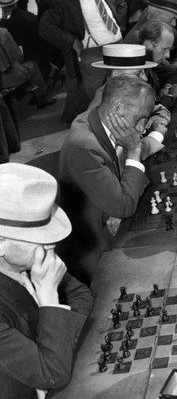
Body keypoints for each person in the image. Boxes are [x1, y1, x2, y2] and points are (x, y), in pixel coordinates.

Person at [0, 162, 94, 398]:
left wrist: (59, 345)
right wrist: (49, 297)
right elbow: (54, 373)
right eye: (37, 239)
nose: (50, 245)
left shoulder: (27, 257)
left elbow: (82, 294)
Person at [59, 76, 155, 285]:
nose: (142, 129)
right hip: (92, 250)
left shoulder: (98, 119)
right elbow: (124, 207)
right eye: (140, 118)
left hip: (107, 222)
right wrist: (134, 150)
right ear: (117, 107)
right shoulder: (84, 147)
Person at [39, 0, 127, 122]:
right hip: (94, 55)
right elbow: (45, 27)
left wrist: (119, 26)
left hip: (119, 47)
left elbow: (121, 3)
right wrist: (72, 41)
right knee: (99, 104)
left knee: (123, 97)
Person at [0, 25, 55, 109]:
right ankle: (41, 99)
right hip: (8, 77)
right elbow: (17, 55)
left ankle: (20, 92)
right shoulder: (3, 32)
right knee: (32, 65)